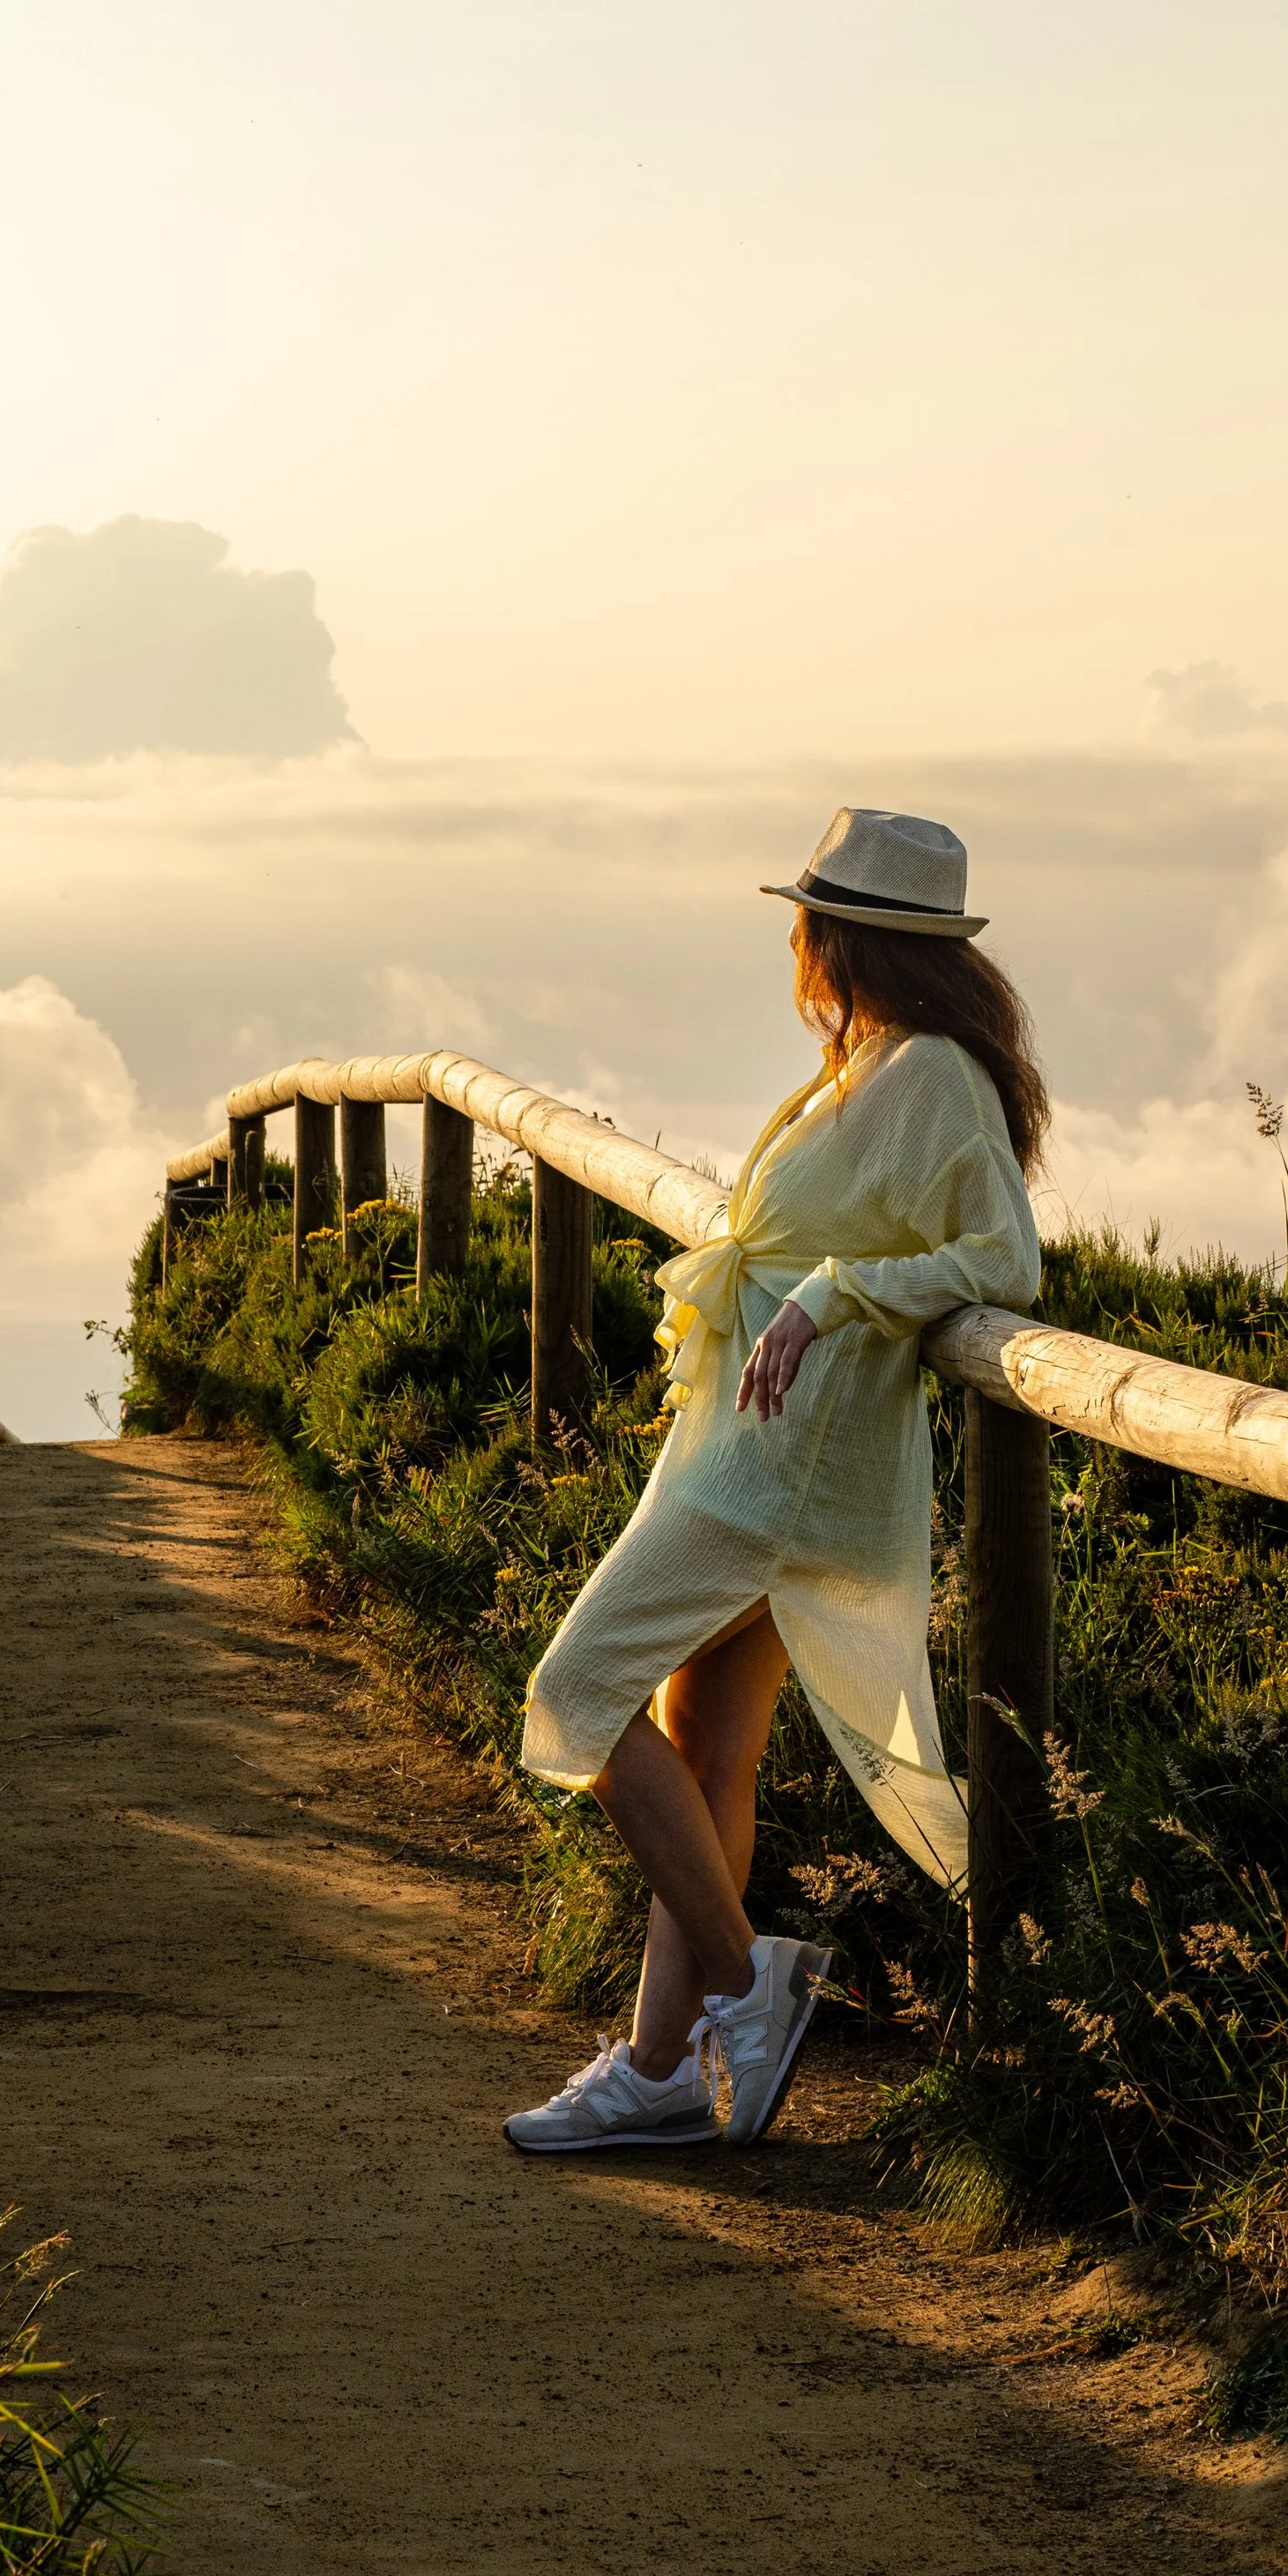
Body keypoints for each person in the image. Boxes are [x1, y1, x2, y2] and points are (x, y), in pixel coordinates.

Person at [503, 808, 1047, 2155]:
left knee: (575, 1693)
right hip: (746, 1445)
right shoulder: (858, 1061)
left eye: (807, 918)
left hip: (777, 1476)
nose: (794, 941)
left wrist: (840, 1291)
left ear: (843, 934)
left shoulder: (930, 1075)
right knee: (708, 1746)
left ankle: (748, 1988)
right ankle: (657, 2069)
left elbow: (1008, 1259)